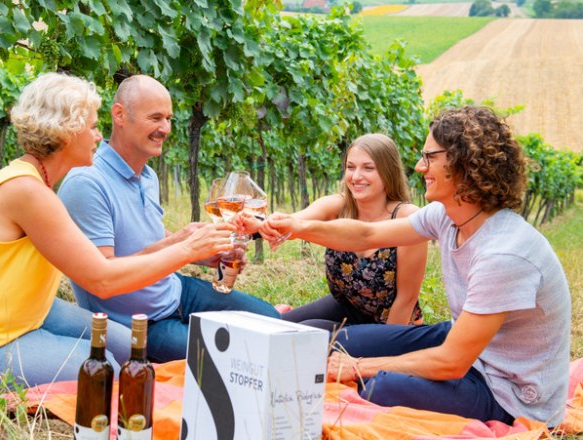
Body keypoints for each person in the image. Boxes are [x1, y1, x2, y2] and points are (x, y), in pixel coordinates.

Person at [0, 73, 235, 390]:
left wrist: (179, 240)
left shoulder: (37, 185)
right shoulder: (28, 193)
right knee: (104, 369)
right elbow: (103, 279)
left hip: (21, 313)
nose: (99, 136)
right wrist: (188, 251)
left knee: (126, 346)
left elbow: (97, 262)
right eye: (93, 127)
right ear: (67, 132)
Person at [258, 106, 570, 426]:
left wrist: (360, 366)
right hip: (468, 348)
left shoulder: (504, 255)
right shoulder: (448, 216)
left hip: (508, 394)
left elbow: (451, 362)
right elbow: (366, 233)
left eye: (429, 156)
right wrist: (296, 227)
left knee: (380, 385)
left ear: (463, 164)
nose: (420, 167)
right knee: (331, 340)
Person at [59, 75, 280, 363]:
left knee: (272, 324)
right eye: (155, 118)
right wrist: (182, 244)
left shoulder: (147, 176)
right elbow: (105, 272)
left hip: (176, 290)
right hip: (139, 323)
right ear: (120, 115)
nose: (165, 128)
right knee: (235, 357)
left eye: (168, 118)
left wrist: (203, 254)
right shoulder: (87, 183)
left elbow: (148, 238)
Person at [258, 134, 427, 331]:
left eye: (368, 168)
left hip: (391, 322)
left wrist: (385, 348)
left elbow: (406, 299)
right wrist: (255, 224)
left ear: (388, 171)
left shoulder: (407, 218)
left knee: (306, 331)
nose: (356, 176)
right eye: (351, 167)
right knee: (275, 325)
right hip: (346, 306)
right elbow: (294, 221)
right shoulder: (339, 206)